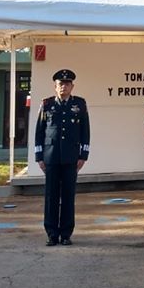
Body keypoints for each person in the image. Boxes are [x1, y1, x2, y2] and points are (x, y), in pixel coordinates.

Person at [35, 68, 90, 246]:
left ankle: (66, 234)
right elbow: (39, 132)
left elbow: (85, 131)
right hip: (50, 158)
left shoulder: (79, 104)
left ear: (72, 86)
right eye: (60, 84)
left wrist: (83, 155)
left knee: (68, 196)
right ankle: (52, 234)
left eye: (67, 84)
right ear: (55, 86)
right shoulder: (47, 104)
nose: (63, 87)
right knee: (51, 196)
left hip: (71, 158)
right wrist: (39, 157)